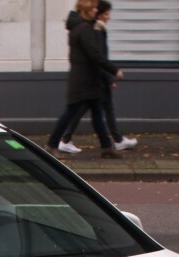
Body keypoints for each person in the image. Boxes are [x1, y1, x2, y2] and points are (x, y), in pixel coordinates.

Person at [46, 0, 124, 159]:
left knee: (97, 114)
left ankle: (106, 147)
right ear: (88, 10)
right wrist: (114, 70)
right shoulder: (84, 29)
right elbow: (95, 54)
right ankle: (52, 144)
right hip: (84, 81)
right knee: (70, 113)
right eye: (94, 7)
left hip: (88, 79)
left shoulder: (83, 27)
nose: (97, 10)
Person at [58, 1, 138, 154]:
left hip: (96, 78)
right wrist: (110, 76)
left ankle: (113, 142)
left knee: (100, 110)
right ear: (95, 13)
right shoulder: (93, 30)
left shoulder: (94, 28)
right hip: (95, 80)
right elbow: (98, 56)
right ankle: (62, 140)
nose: (109, 17)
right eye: (106, 13)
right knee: (83, 111)